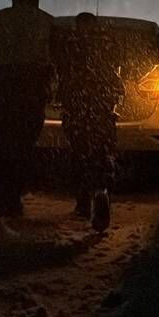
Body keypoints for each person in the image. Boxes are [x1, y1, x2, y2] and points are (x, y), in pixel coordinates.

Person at [0, 0, 54, 217]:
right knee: (25, 144)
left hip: (5, 91)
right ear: (36, 2)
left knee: (2, 142)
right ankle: (13, 196)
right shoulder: (46, 22)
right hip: (32, 92)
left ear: (14, 0)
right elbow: (56, 57)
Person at [57, 12, 124, 232]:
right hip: (102, 109)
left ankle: (83, 201)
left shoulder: (69, 44)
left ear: (78, 26)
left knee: (79, 153)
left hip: (76, 108)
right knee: (103, 151)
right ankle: (102, 192)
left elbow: (60, 69)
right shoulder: (108, 43)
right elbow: (118, 68)